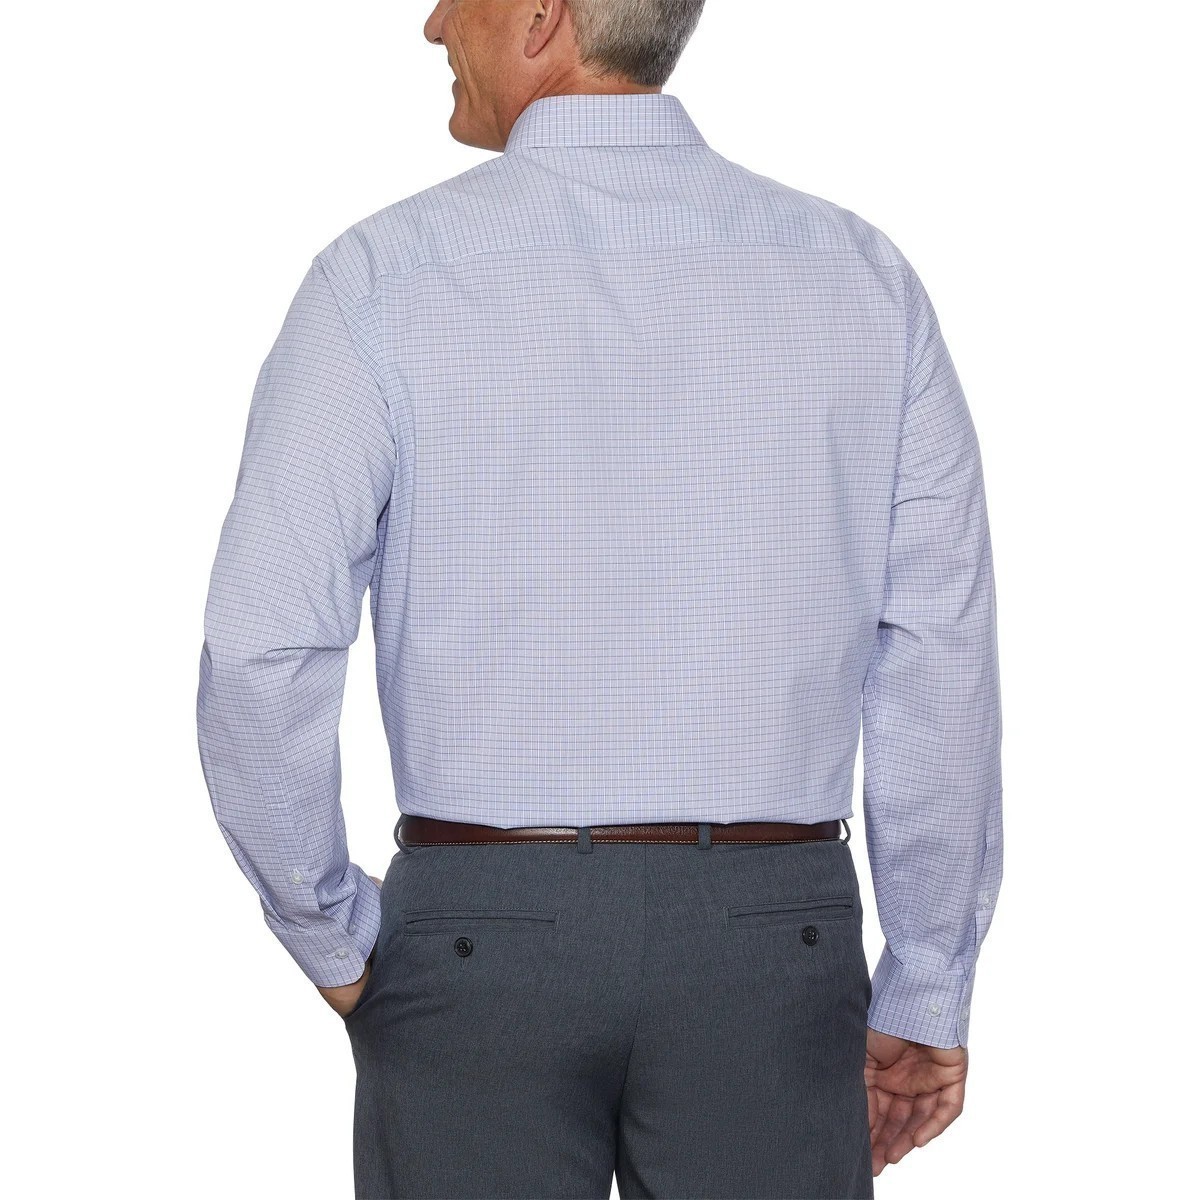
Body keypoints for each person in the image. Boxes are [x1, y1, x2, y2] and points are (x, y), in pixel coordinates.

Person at [196, 1, 1003, 1196]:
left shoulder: (378, 279)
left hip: (476, 942)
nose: (432, 24)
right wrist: (927, 979)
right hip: (770, 947)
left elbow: (262, 646)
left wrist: (329, 930)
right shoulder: (860, 279)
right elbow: (937, 655)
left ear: (541, 17)